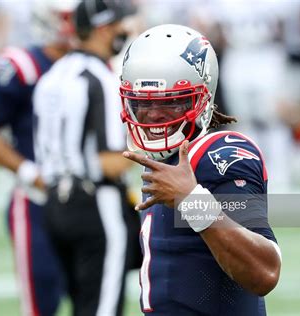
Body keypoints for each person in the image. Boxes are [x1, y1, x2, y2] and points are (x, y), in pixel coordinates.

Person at [119, 24, 282, 315]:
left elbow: (265, 270)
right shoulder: (167, 165)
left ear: (203, 97)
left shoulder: (221, 154)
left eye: (171, 102)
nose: (154, 114)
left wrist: (193, 201)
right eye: (143, 103)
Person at [33, 0, 139, 315]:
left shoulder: (52, 75)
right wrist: (153, 147)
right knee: (102, 309)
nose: (125, 30)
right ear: (103, 28)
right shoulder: (101, 79)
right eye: (120, 24)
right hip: (96, 204)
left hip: (54, 205)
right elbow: (109, 162)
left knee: (82, 305)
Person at [0, 1, 77, 315]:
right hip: (38, 200)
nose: (71, 25)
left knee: (95, 302)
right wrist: (30, 172)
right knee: (40, 303)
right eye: (65, 17)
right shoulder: (25, 65)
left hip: (90, 200)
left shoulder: (101, 64)